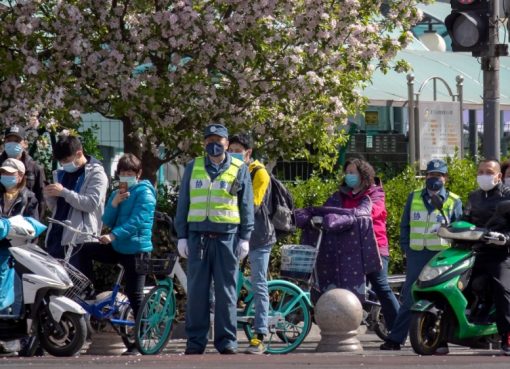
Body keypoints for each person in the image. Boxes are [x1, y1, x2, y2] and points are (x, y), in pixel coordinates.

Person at [175, 123, 254, 355]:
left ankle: (227, 342)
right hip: (198, 238)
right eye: (209, 142)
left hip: (227, 238)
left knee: (226, 293)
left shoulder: (239, 168)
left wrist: (245, 237)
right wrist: (182, 236)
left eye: (218, 142)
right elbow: (184, 203)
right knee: (197, 294)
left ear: (227, 144)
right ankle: (195, 342)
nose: (214, 146)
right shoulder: (193, 167)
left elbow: (246, 204)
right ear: (204, 144)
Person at [380, 159, 462, 352]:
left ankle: (439, 340)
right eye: (430, 175)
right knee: (410, 296)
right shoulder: (414, 197)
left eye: (438, 175)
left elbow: (459, 230)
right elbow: (404, 225)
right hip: (417, 254)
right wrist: (406, 248)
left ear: (446, 178)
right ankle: (395, 339)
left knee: (441, 298)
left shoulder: (454, 201)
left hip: (441, 256)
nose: (434, 179)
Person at [78, 153, 156, 355]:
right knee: (84, 249)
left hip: (137, 250)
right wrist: (114, 203)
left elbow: (138, 220)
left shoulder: (145, 193)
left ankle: (141, 341)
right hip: (118, 247)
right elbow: (108, 219)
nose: (126, 176)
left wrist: (113, 236)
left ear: (138, 174)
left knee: (135, 295)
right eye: (122, 173)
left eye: (130, 173)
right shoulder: (118, 193)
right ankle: (88, 292)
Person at [339, 158, 400, 335]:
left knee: (380, 286)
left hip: (375, 247)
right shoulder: (343, 194)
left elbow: (372, 211)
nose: (349, 176)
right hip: (351, 247)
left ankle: (398, 329)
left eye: (353, 172)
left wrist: (350, 215)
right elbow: (333, 209)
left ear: (363, 174)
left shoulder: (376, 193)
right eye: (347, 172)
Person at [228, 133, 275, 355]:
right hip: (235, 233)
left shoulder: (260, 173)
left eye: (238, 150)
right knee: (227, 281)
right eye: (231, 149)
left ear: (248, 153)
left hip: (259, 236)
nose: (233, 154)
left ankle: (260, 335)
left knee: (259, 283)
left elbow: (252, 205)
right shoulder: (229, 170)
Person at [462, 159, 510, 355]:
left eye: (489, 172)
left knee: (502, 290)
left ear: (499, 176)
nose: (484, 175)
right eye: (480, 171)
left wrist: (505, 238)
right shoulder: (473, 197)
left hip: (500, 254)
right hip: (474, 252)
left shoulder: (507, 197)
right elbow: (464, 220)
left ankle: (507, 337)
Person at [44, 135, 108, 269]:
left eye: (66, 160)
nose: (63, 164)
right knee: (54, 285)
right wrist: (50, 196)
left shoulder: (96, 174)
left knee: (77, 285)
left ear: (79, 153)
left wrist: (64, 192)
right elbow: (57, 207)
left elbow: (90, 204)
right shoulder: (61, 174)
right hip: (56, 236)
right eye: (61, 161)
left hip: (79, 240)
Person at [0, 158, 39, 355]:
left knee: (17, 297)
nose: (6, 176)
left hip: (19, 252)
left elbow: (34, 226)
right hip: (0, 251)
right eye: (3, 173)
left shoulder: (29, 198)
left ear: (21, 176)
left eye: (10, 173)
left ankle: (14, 341)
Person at [0, 126, 46, 217]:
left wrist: (35, 223)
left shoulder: (35, 168)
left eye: (17, 141)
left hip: (25, 219)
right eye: (9, 141)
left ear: (25, 144)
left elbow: (41, 199)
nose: (12, 144)